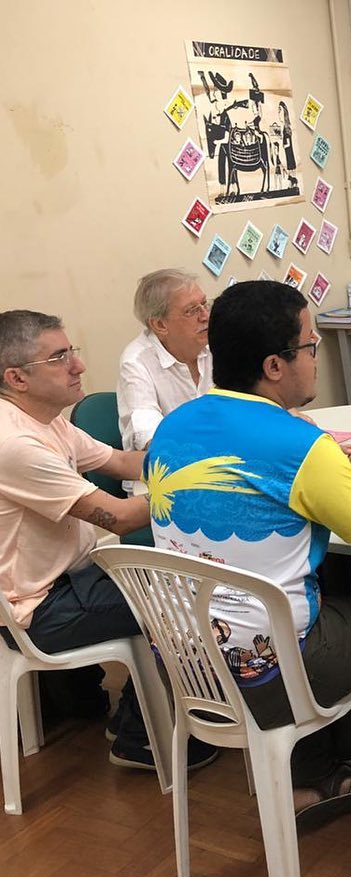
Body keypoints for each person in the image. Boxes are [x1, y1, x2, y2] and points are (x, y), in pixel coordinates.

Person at [145, 281, 351, 828]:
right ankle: (317, 772)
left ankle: (310, 756)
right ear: (275, 366)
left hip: (184, 662)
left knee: (331, 600)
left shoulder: (172, 425)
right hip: (267, 674)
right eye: (311, 345)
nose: (317, 355)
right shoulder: (303, 447)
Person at [0, 310, 216, 770]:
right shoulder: (15, 444)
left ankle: (136, 718)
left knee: (173, 574)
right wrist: (207, 481)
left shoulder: (45, 419)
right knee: (185, 595)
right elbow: (119, 518)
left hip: (74, 574)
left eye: (71, 352)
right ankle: (140, 738)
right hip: (42, 606)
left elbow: (122, 462)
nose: (78, 366)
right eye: (59, 358)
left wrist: (206, 455)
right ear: (16, 378)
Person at [117, 269, 213, 454]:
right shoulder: (136, 362)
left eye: (204, 304)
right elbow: (150, 435)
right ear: (160, 325)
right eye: (191, 311)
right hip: (171, 462)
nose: (205, 316)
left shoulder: (215, 343)